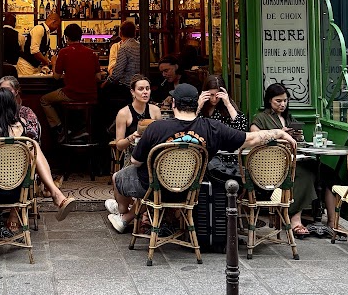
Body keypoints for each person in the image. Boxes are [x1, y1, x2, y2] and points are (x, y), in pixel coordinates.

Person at [106, 83, 295, 233]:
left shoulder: (156, 127)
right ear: (196, 103)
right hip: (193, 189)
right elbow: (251, 138)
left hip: (155, 188)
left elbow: (135, 161)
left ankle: (123, 213)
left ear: (174, 104)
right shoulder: (212, 127)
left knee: (118, 177)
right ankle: (127, 215)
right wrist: (279, 132)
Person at [0, 87, 76, 223]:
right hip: (20, 186)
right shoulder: (21, 125)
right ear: (13, 104)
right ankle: (56, 194)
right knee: (34, 147)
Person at [250, 83, 325, 239]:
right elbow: (254, 138)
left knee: (323, 171)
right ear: (269, 100)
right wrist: (278, 133)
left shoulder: (289, 118)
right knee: (304, 174)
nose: (282, 104)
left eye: (285, 100)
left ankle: (332, 220)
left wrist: (298, 136)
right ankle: (295, 219)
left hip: (291, 160)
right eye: (278, 101)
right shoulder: (261, 118)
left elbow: (300, 142)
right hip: (272, 164)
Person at [40, 23, 101, 142]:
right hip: (91, 95)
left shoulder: (64, 52)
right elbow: (98, 77)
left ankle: (60, 128)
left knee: (44, 100)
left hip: (71, 93)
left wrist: (54, 62)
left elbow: (56, 77)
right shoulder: (91, 53)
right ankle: (82, 129)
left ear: (66, 37)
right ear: (81, 36)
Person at [112, 74, 162, 168]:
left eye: (147, 89)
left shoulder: (155, 110)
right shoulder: (123, 113)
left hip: (152, 156)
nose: (145, 92)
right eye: (141, 89)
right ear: (133, 92)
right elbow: (119, 145)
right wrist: (131, 137)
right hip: (132, 158)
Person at [16, 12, 61, 76]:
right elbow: (35, 50)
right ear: (53, 22)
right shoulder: (39, 29)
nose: (57, 28)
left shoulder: (46, 33)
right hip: (26, 66)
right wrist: (47, 62)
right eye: (57, 25)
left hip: (34, 66)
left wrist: (46, 61)